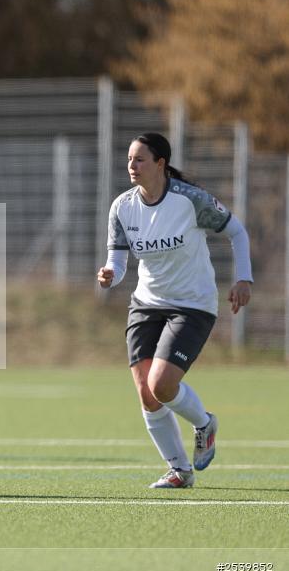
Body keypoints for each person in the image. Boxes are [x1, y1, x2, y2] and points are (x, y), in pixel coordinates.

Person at [97, 132, 253, 488]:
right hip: (146, 304)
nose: (131, 166)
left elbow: (237, 232)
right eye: (129, 160)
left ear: (160, 164)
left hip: (192, 305)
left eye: (139, 160)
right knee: (146, 393)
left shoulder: (190, 200)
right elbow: (117, 261)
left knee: (163, 385)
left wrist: (244, 278)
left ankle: (203, 424)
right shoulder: (122, 207)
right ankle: (179, 471)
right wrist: (110, 275)